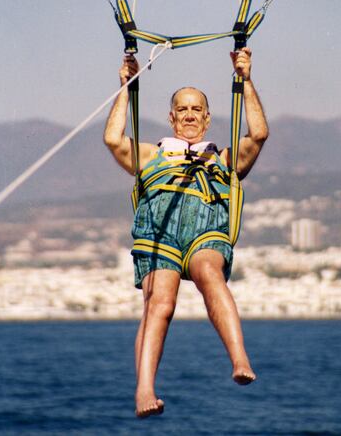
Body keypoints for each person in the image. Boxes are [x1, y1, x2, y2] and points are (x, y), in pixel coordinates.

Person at [104, 47, 268, 417]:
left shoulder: (224, 160)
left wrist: (246, 79)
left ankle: (239, 358)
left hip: (205, 231)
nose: (190, 114)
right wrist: (125, 86)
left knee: (210, 273)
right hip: (159, 235)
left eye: (197, 109)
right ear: (172, 117)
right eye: (183, 108)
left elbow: (258, 135)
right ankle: (144, 389)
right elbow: (114, 140)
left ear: (208, 119)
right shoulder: (151, 155)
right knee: (160, 301)